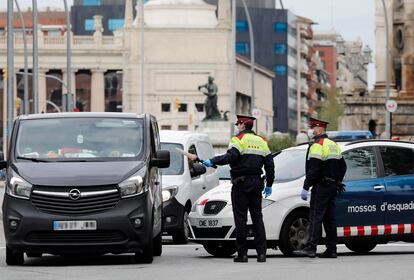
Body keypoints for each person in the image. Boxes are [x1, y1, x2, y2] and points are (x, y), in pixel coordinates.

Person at [201, 115, 275, 263]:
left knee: (240, 219)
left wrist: (212, 161)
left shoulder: (238, 140)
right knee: (257, 218)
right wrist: (269, 185)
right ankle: (262, 254)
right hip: (256, 184)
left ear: (242, 125)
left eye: (238, 125)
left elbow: (231, 157)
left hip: (241, 184)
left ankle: (243, 254)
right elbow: (270, 165)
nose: (237, 127)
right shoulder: (262, 141)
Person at [293, 118, 347, 258]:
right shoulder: (333, 145)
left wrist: (306, 186)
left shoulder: (318, 145)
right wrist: (337, 181)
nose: (312, 131)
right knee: (330, 219)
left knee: (315, 217)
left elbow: (314, 170)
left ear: (320, 129)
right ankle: (332, 249)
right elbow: (343, 167)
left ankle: (311, 248)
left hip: (321, 186)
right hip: (332, 187)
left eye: (313, 128)